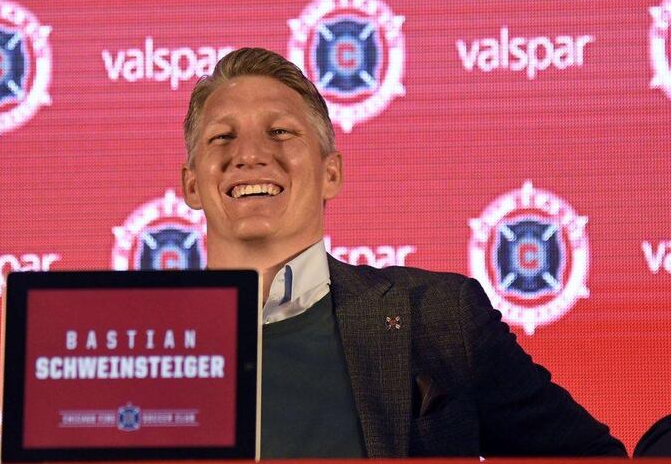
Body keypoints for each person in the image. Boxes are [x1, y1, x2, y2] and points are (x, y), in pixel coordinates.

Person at [180, 47, 627, 458]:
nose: (252, 154)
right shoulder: (131, 344)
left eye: (280, 131)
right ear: (192, 185)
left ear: (330, 173)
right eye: (222, 137)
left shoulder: (440, 318)